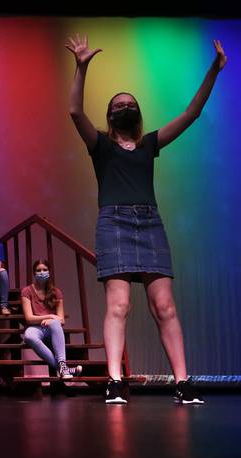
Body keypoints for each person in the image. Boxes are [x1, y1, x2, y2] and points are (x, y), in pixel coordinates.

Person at [66, 35, 227, 404]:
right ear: (110, 115)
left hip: (149, 225)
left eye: (130, 104)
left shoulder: (149, 144)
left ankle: (183, 383)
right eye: (119, 104)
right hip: (114, 224)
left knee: (165, 307)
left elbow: (191, 114)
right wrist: (82, 66)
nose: (125, 107)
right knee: (119, 306)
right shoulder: (101, 146)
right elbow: (76, 112)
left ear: (137, 114)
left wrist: (214, 71)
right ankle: (114, 380)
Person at [21, 260, 83, 380]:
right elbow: (29, 318)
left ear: (49, 272)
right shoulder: (27, 291)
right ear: (34, 273)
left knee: (55, 323)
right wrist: (49, 316)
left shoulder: (56, 292)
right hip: (36, 327)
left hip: (52, 328)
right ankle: (63, 368)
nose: (42, 272)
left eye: (44, 270)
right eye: (38, 270)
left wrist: (53, 320)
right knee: (29, 336)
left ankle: (62, 364)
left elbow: (61, 320)